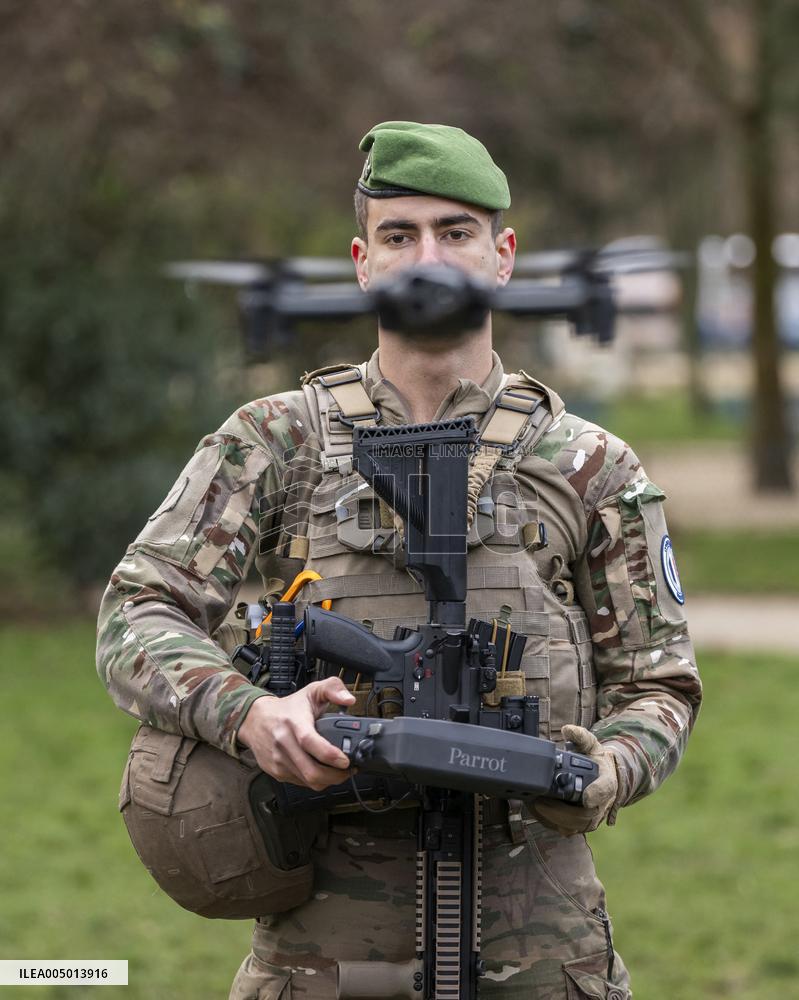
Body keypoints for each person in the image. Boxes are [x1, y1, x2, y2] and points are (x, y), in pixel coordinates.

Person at [97, 121, 702, 999]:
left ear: (501, 256)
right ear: (361, 261)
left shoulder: (589, 464)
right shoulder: (276, 441)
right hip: (325, 950)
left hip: (537, 943)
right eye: (398, 234)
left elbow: (660, 685)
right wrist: (251, 717)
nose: (427, 256)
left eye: (454, 232)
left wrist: (599, 770)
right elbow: (136, 612)